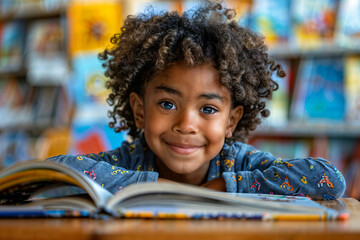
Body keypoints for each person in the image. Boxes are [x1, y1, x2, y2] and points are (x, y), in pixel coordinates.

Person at [47, 1, 346, 200]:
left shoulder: (237, 162)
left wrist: (225, 187)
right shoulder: (129, 161)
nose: (186, 125)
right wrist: (161, 190)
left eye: (208, 109)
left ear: (231, 120)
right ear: (140, 111)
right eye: (167, 104)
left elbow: (329, 178)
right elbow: (54, 171)